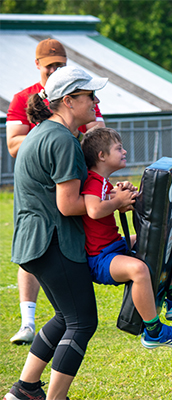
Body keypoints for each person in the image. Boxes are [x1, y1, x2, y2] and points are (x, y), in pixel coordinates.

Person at [5, 66, 106, 400]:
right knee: (82, 322)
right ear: (68, 100)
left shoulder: (44, 132)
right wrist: (113, 202)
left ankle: (26, 388)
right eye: (89, 96)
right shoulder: (63, 140)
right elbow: (68, 205)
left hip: (35, 243)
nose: (95, 102)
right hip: (53, 243)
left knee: (65, 316)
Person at [80, 127, 172, 349]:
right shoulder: (92, 182)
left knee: (154, 243)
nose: (124, 152)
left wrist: (122, 193)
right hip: (100, 258)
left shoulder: (102, 182)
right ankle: (154, 331)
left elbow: (111, 201)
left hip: (113, 246)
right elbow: (94, 210)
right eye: (118, 148)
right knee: (139, 270)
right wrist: (116, 201)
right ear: (102, 156)